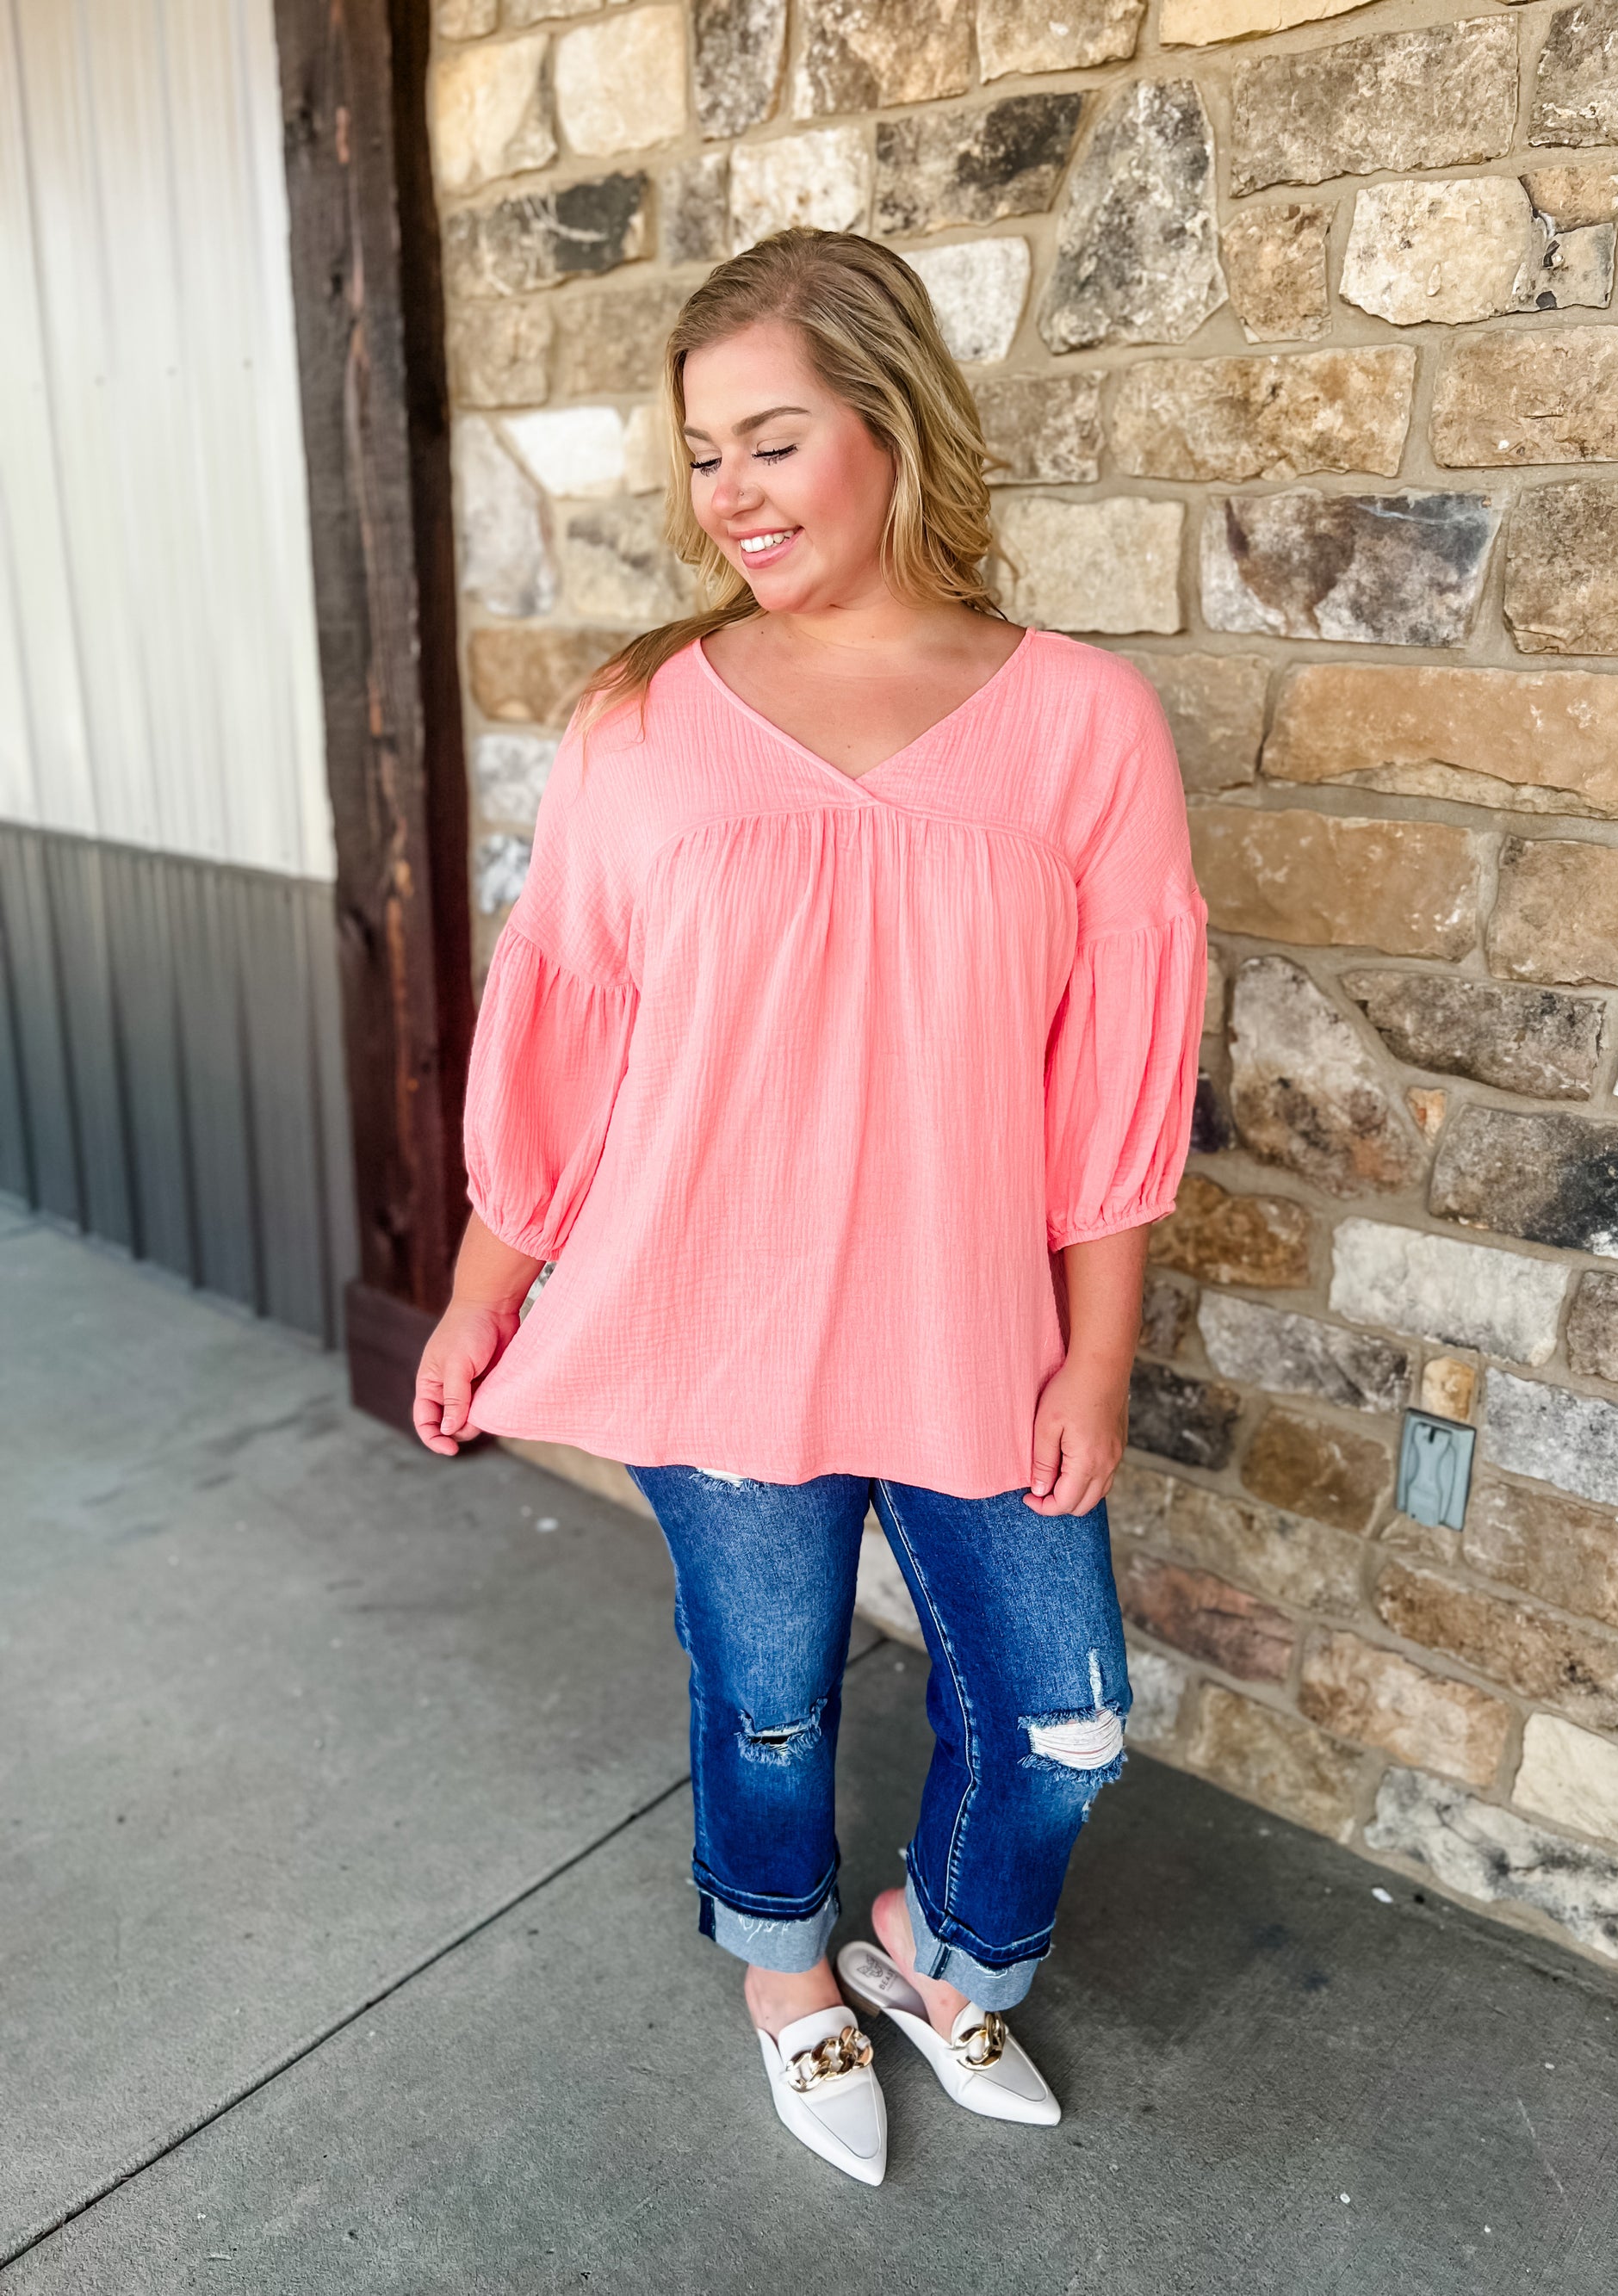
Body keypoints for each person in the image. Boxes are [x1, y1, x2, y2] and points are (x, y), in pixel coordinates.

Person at [413, 226, 1207, 2187]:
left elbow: (1112, 1066)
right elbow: (572, 1027)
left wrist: (1097, 1353)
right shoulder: (640, 720)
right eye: (703, 454)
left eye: (771, 441)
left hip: (972, 1324)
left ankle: (935, 1944)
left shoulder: (1081, 720)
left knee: (1063, 1726)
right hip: (713, 1312)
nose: (730, 494)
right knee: (767, 1705)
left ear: (892, 425)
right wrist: (482, 1289)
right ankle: (786, 1968)